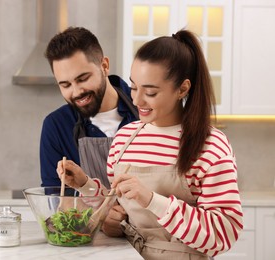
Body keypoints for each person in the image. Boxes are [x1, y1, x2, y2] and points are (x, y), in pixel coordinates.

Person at [56, 29, 243, 259]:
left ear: (182, 89)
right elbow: (114, 203)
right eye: (134, 87)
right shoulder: (125, 139)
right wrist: (85, 184)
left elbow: (222, 234)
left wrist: (153, 200)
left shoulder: (211, 146)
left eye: (150, 92)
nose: (136, 100)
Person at [40, 27, 138, 188]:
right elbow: (55, 196)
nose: (76, 92)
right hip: (89, 215)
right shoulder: (56, 125)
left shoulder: (146, 109)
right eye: (65, 85)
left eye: (83, 79)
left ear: (104, 66)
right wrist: (100, 210)